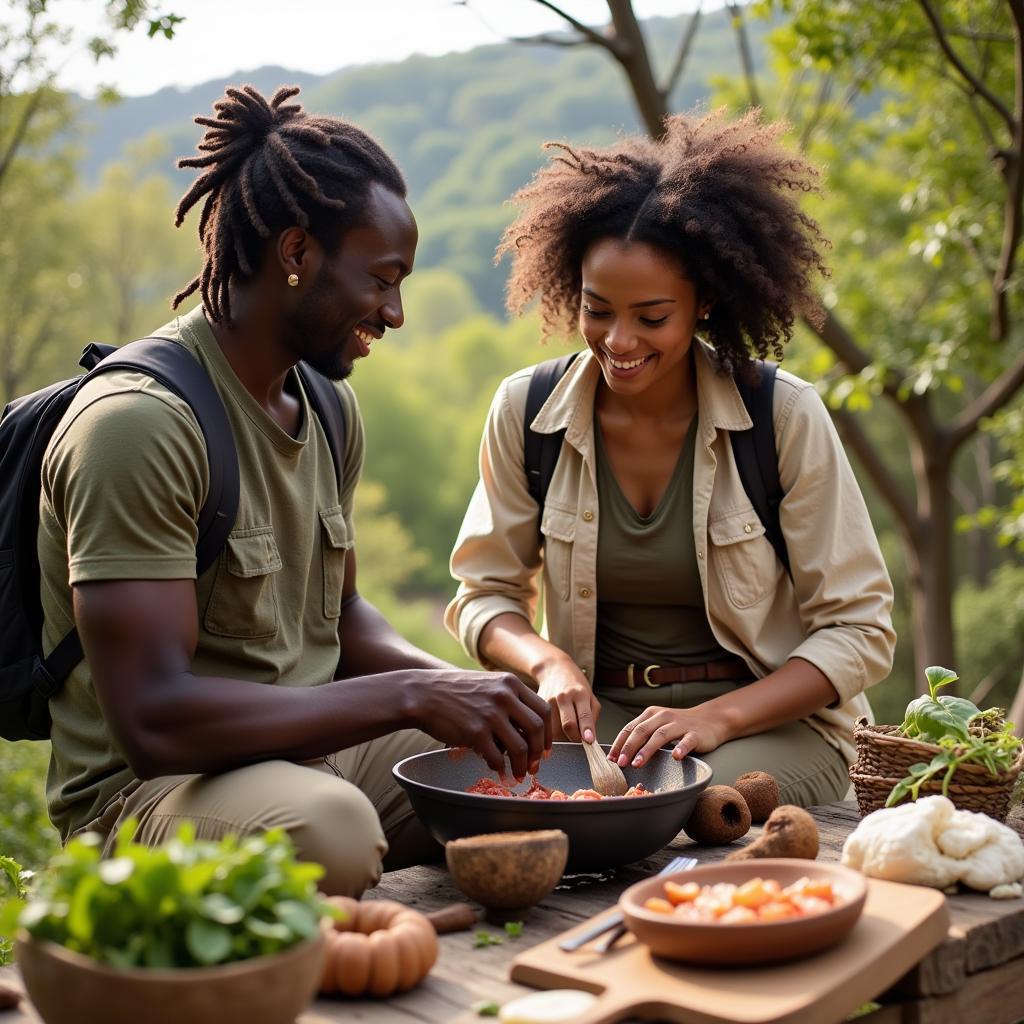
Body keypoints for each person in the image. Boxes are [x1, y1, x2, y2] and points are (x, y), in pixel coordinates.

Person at [39, 84, 550, 895]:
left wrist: (462, 694)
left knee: (538, 785)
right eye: (382, 279)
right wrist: (414, 694)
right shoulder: (139, 425)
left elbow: (340, 617)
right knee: (333, 831)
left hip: (307, 756)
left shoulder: (327, 405)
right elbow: (154, 722)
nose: (396, 312)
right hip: (149, 798)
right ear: (296, 253)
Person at [445, 110, 895, 807]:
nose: (619, 340)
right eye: (598, 310)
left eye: (651, 317)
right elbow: (483, 596)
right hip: (602, 735)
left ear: (703, 303)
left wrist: (716, 718)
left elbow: (860, 631)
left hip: (767, 726)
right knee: (485, 795)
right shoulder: (525, 413)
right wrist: (548, 662)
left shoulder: (781, 417)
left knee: (680, 807)